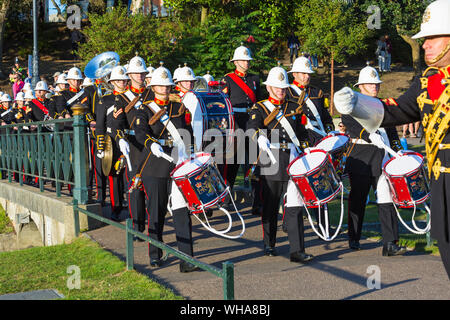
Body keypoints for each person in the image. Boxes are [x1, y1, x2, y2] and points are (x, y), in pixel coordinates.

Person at [334, 0, 450, 277]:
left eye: (432, 38)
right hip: (439, 178)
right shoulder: (428, 80)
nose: (424, 45)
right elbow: (396, 111)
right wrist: (357, 104)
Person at [133, 65, 198, 273]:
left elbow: (187, 133)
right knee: (157, 211)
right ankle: (155, 253)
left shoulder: (179, 108)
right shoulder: (143, 108)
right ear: (153, 87)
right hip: (155, 163)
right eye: (160, 85)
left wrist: (192, 153)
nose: (164, 88)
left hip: (177, 162)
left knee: (181, 210)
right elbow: (140, 131)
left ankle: (187, 258)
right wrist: (151, 143)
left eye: (167, 85)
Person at [247, 65, 313, 263]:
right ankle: (269, 243)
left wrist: (307, 147)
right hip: (271, 159)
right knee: (270, 204)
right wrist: (259, 137)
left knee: (295, 204)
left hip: (291, 156)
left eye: (283, 87)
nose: (281, 90)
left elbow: (301, 133)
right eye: (277, 87)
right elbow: (251, 128)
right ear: (269, 88)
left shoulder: (294, 107)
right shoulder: (259, 107)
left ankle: (297, 250)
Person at [342, 66, 406, 255]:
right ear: (360, 86)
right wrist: (369, 135)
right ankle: (354, 237)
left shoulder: (383, 105)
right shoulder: (351, 105)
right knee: (358, 199)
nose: (375, 87)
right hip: (361, 156)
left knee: (387, 199)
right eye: (370, 84)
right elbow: (352, 125)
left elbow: (392, 129)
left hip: (383, 158)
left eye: (376, 84)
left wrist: (398, 149)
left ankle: (390, 243)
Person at [109, 55, 151, 229]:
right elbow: (116, 123)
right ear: (130, 75)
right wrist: (120, 139)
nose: (140, 76)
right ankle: (137, 226)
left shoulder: (152, 93)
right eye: (136, 73)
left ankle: (153, 225)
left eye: (142, 73)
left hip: (150, 143)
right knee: (135, 186)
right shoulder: (122, 98)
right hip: (133, 144)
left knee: (152, 184)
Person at [222, 44, 263, 215]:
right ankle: (226, 198)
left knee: (254, 162)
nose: (247, 63)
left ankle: (257, 201)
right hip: (236, 123)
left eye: (248, 61)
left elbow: (260, 101)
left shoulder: (255, 79)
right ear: (236, 62)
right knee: (232, 163)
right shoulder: (228, 79)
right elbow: (224, 102)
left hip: (252, 122)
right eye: (244, 61)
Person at [95, 65, 129, 220]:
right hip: (112, 140)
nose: (122, 83)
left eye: (124, 80)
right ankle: (116, 207)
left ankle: (131, 204)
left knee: (130, 173)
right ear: (113, 82)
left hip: (130, 138)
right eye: (119, 80)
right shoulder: (106, 100)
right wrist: (101, 146)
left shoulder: (131, 97)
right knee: (115, 173)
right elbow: (100, 124)